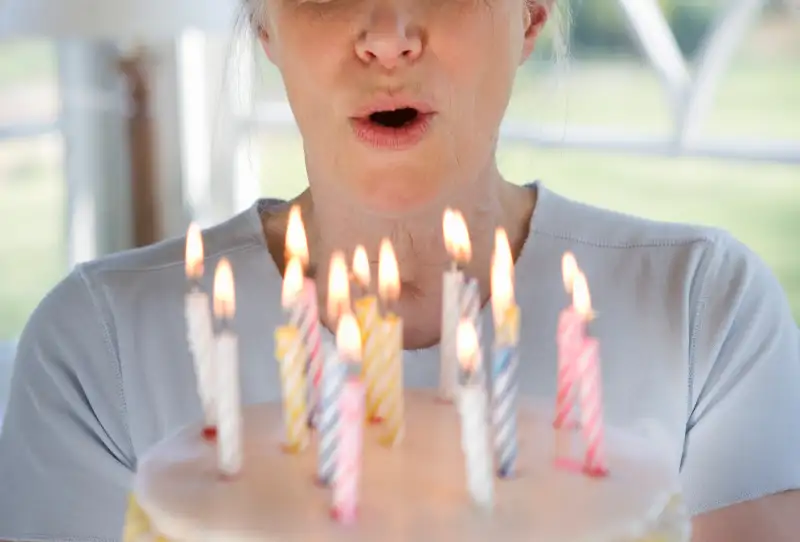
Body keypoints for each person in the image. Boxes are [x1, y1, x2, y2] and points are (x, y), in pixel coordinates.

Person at [1, 0, 799, 540]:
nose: (387, 35)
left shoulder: (703, 309)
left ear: (531, 14)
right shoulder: (99, 343)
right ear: (264, 23)